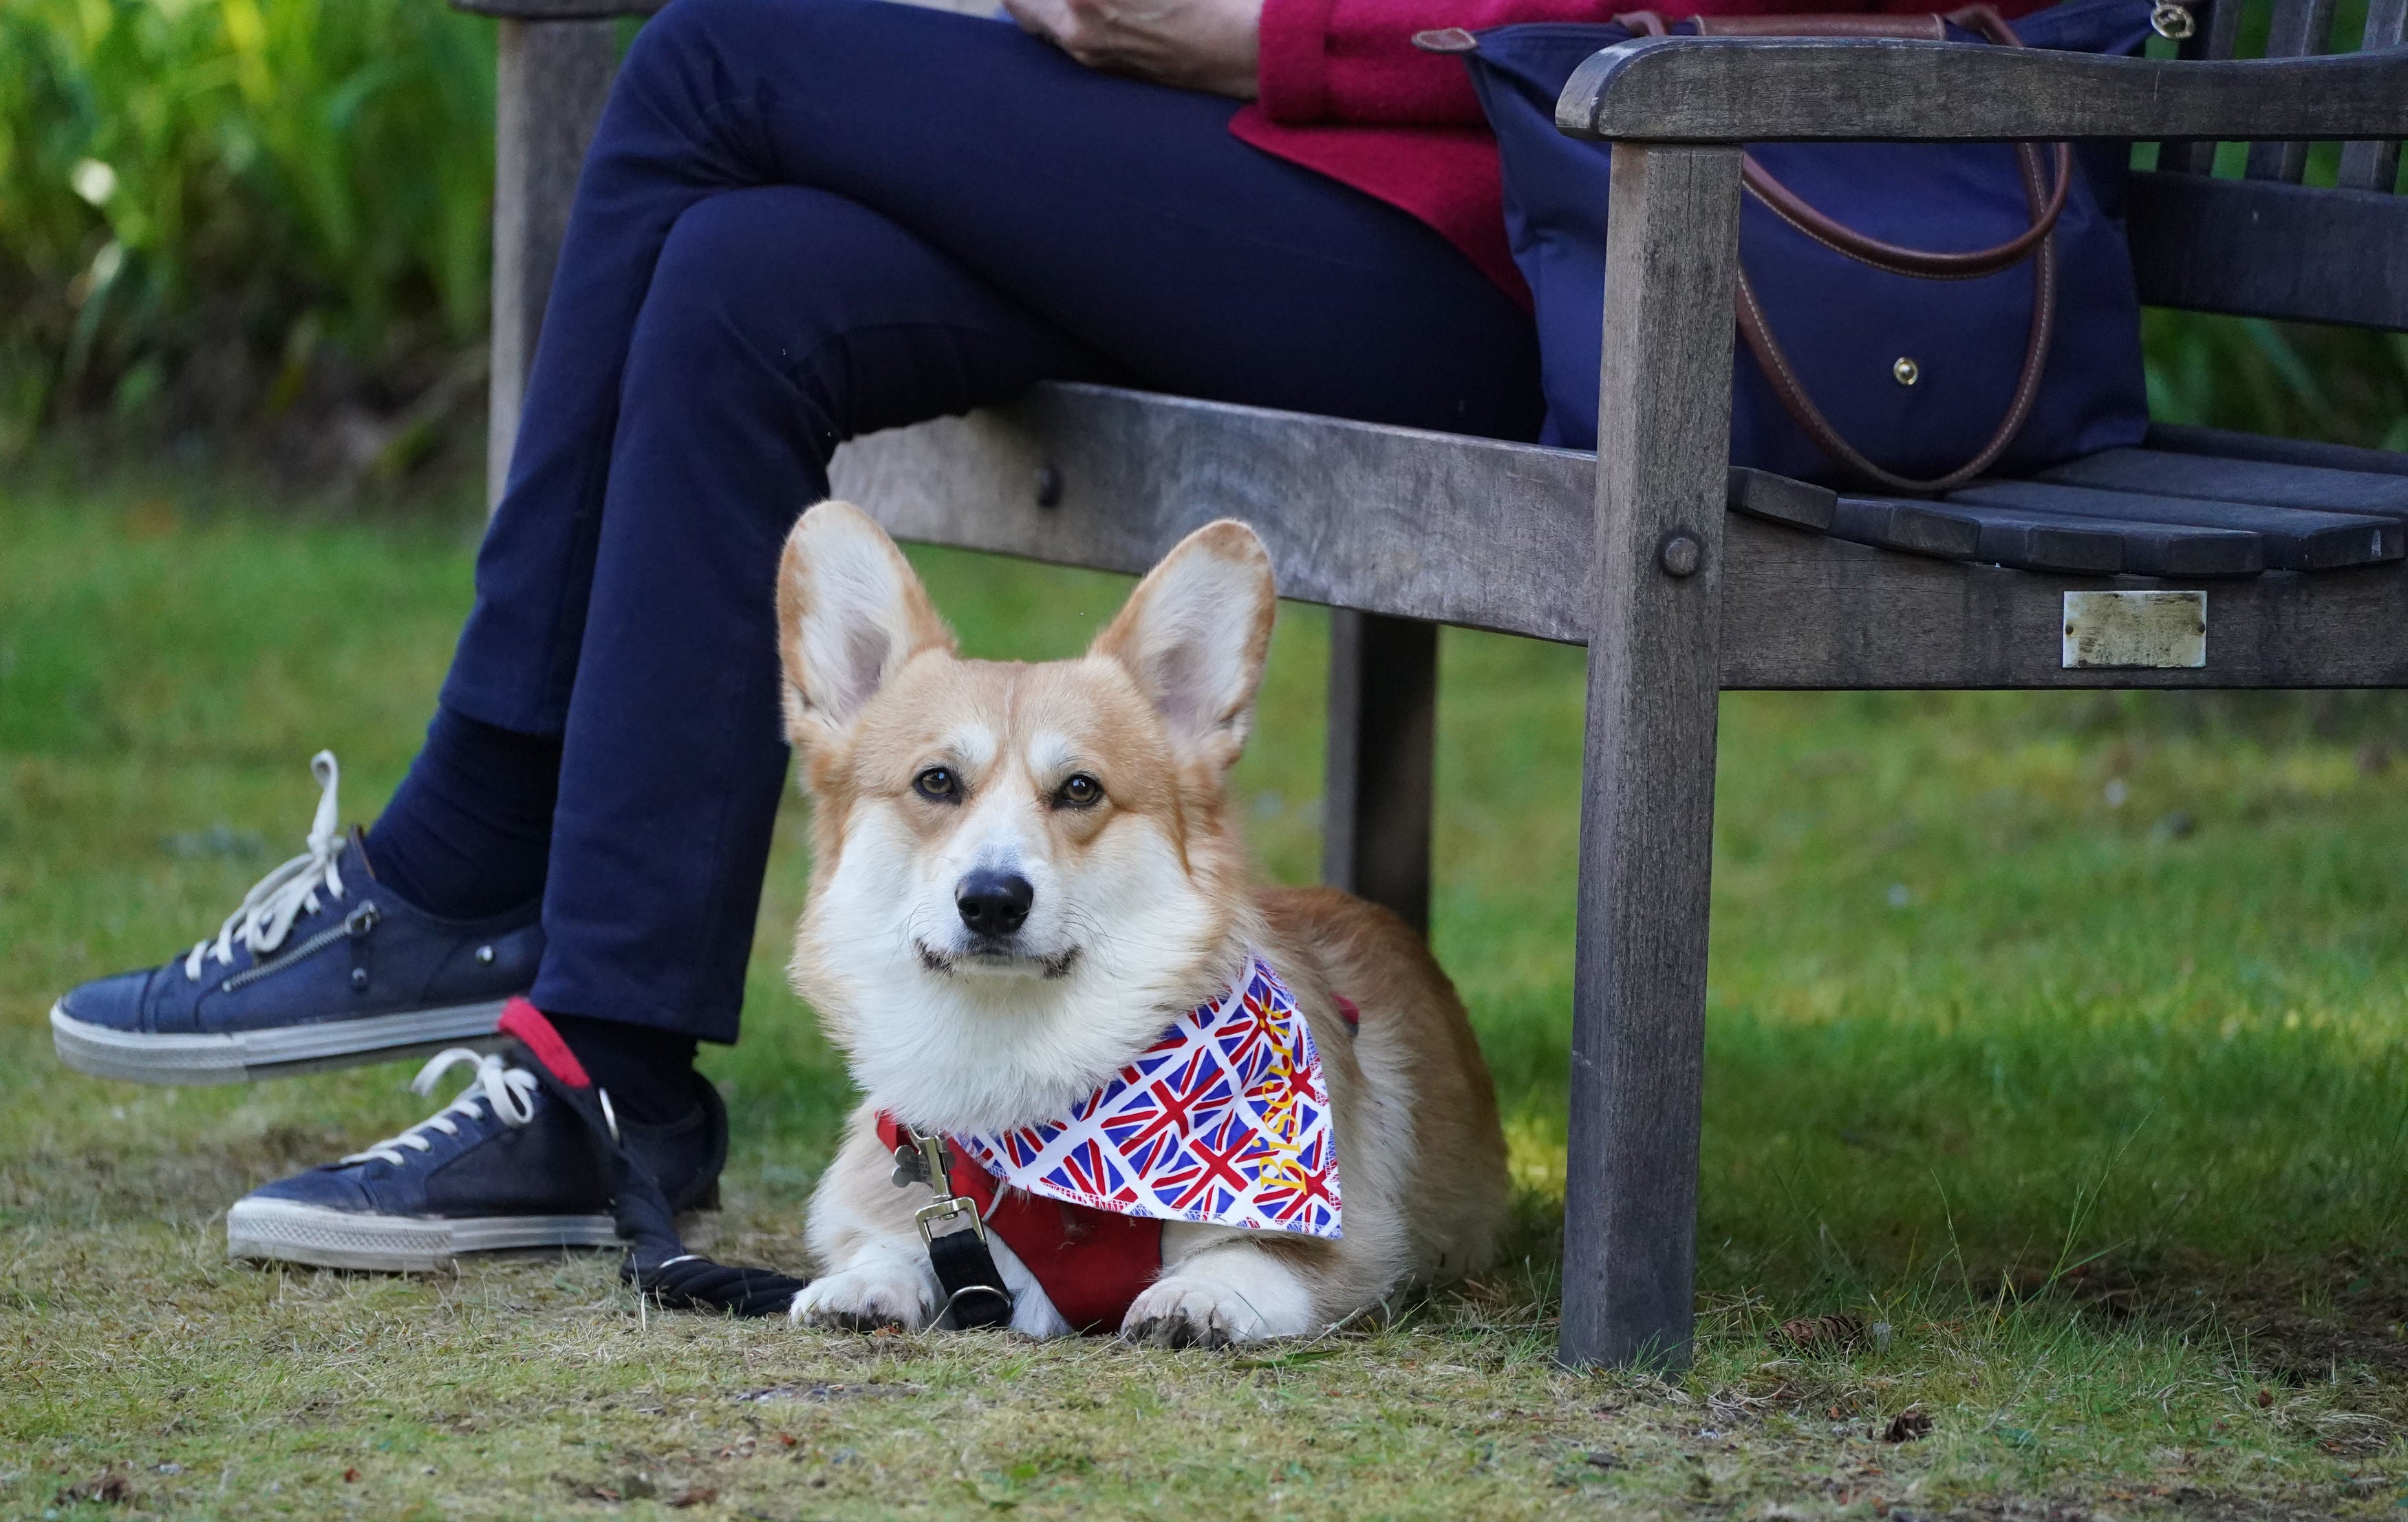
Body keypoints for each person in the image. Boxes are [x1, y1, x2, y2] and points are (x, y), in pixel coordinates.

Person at [50, 0, 2002, 1269]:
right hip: (1277, 172)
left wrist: (1260, 33)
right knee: (740, 280)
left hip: (1532, 227)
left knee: (709, 62)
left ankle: (465, 852)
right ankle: (606, 1081)